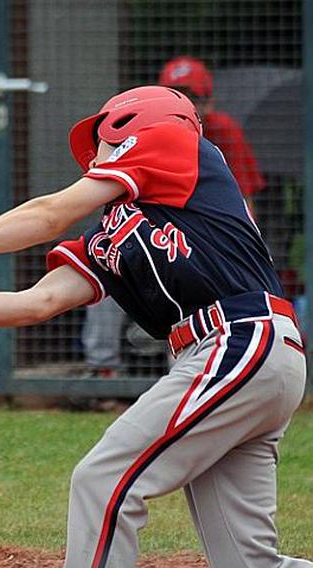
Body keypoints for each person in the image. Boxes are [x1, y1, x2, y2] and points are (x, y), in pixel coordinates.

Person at [0, 86, 310, 567]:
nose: (95, 156)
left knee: (104, 480)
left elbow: (48, 214)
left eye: (101, 140)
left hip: (240, 341)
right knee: (249, 564)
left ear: (131, 125)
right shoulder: (113, 236)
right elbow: (37, 302)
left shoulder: (175, 140)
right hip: (246, 359)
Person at [82, 55, 267, 380]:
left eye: (193, 97)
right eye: (177, 95)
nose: (186, 106)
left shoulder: (222, 133)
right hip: (151, 238)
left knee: (197, 300)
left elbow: (245, 201)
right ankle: (104, 370)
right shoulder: (145, 135)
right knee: (102, 269)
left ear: (208, 102)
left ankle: (187, 378)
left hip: (200, 246)